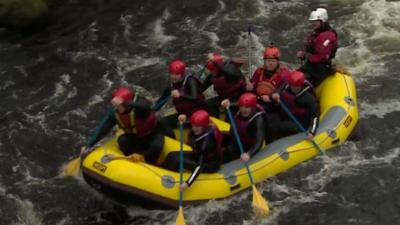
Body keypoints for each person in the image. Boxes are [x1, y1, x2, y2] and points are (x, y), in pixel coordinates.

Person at [81, 87, 164, 164]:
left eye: (118, 105)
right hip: (134, 137)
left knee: (157, 146)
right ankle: (131, 162)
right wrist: (89, 145)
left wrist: (124, 101)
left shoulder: (139, 110)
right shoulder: (115, 114)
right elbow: (103, 129)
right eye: (115, 106)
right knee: (122, 141)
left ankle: (148, 163)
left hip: (152, 135)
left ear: (127, 105)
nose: (116, 108)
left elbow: (146, 107)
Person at [162, 110, 223, 191]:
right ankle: (163, 171)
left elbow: (199, 167)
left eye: (197, 127)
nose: (194, 128)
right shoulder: (201, 129)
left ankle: (169, 180)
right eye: (193, 126)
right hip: (197, 154)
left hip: (209, 164)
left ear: (204, 126)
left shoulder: (207, 143)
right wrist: (183, 120)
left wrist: (187, 183)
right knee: (172, 155)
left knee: (178, 160)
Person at [154, 59, 207, 134]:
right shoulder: (171, 87)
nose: (173, 77)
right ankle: (173, 139)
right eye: (172, 74)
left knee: (164, 123)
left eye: (176, 74)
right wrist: (151, 110)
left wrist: (181, 95)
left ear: (182, 74)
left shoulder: (190, 81)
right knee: (162, 122)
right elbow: (161, 101)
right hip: (183, 114)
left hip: (198, 114)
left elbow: (194, 97)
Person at [269, 71, 319, 141]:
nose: (294, 88)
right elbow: (276, 93)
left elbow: (315, 116)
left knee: (278, 126)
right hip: (285, 115)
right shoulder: (287, 85)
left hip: (300, 122)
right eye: (292, 86)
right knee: (270, 120)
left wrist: (312, 132)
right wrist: (274, 95)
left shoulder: (308, 98)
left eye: (297, 86)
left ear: (301, 85)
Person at [296, 7, 338, 86]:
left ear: (323, 21)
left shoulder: (327, 36)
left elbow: (320, 58)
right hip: (312, 67)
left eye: (316, 21)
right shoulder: (317, 32)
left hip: (319, 70)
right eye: (313, 21)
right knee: (293, 76)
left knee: (296, 81)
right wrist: (304, 54)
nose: (313, 23)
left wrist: (305, 54)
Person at [221, 93, 266, 162]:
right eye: (241, 107)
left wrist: (249, 154)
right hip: (239, 138)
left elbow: (259, 140)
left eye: (247, 107)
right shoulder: (239, 107)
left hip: (250, 145)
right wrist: (226, 104)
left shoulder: (258, 119)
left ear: (252, 107)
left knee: (230, 152)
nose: (243, 110)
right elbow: (231, 105)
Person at [249, 44, 291, 114]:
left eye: (273, 61)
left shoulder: (284, 74)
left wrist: (272, 97)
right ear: (264, 62)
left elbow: (287, 94)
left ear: (277, 62)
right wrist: (250, 88)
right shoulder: (259, 71)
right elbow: (253, 88)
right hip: (258, 100)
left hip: (275, 105)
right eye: (268, 61)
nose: (270, 63)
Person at [201, 53, 247, 117]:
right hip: (224, 99)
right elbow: (201, 87)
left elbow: (230, 73)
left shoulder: (231, 68)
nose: (211, 72)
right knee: (208, 104)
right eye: (210, 70)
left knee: (229, 109)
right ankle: (216, 123)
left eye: (212, 69)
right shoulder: (212, 76)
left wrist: (214, 61)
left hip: (239, 98)